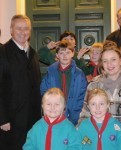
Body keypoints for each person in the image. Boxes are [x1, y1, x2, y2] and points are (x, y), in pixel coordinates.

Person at [0, 15, 41, 150]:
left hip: (33, 119)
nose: (23, 32)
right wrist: (2, 119)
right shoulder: (3, 52)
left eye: (26, 29)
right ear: (11, 30)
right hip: (11, 122)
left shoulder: (33, 54)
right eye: (19, 28)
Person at [80, 45, 121, 123]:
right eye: (105, 61)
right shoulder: (93, 85)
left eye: (113, 60)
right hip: (99, 134)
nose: (109, 64)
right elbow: (84, 116)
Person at [40, 40, 87, 125]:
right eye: (61, 53)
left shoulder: (79, 74)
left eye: (68, 53)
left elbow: (82, 97)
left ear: (73, 54)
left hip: (74, 116)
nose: (65, 56)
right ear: (57, 55)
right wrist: (50, 110)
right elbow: (44, 91)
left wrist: (75, 116)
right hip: (53, 115)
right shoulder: (51, 72)